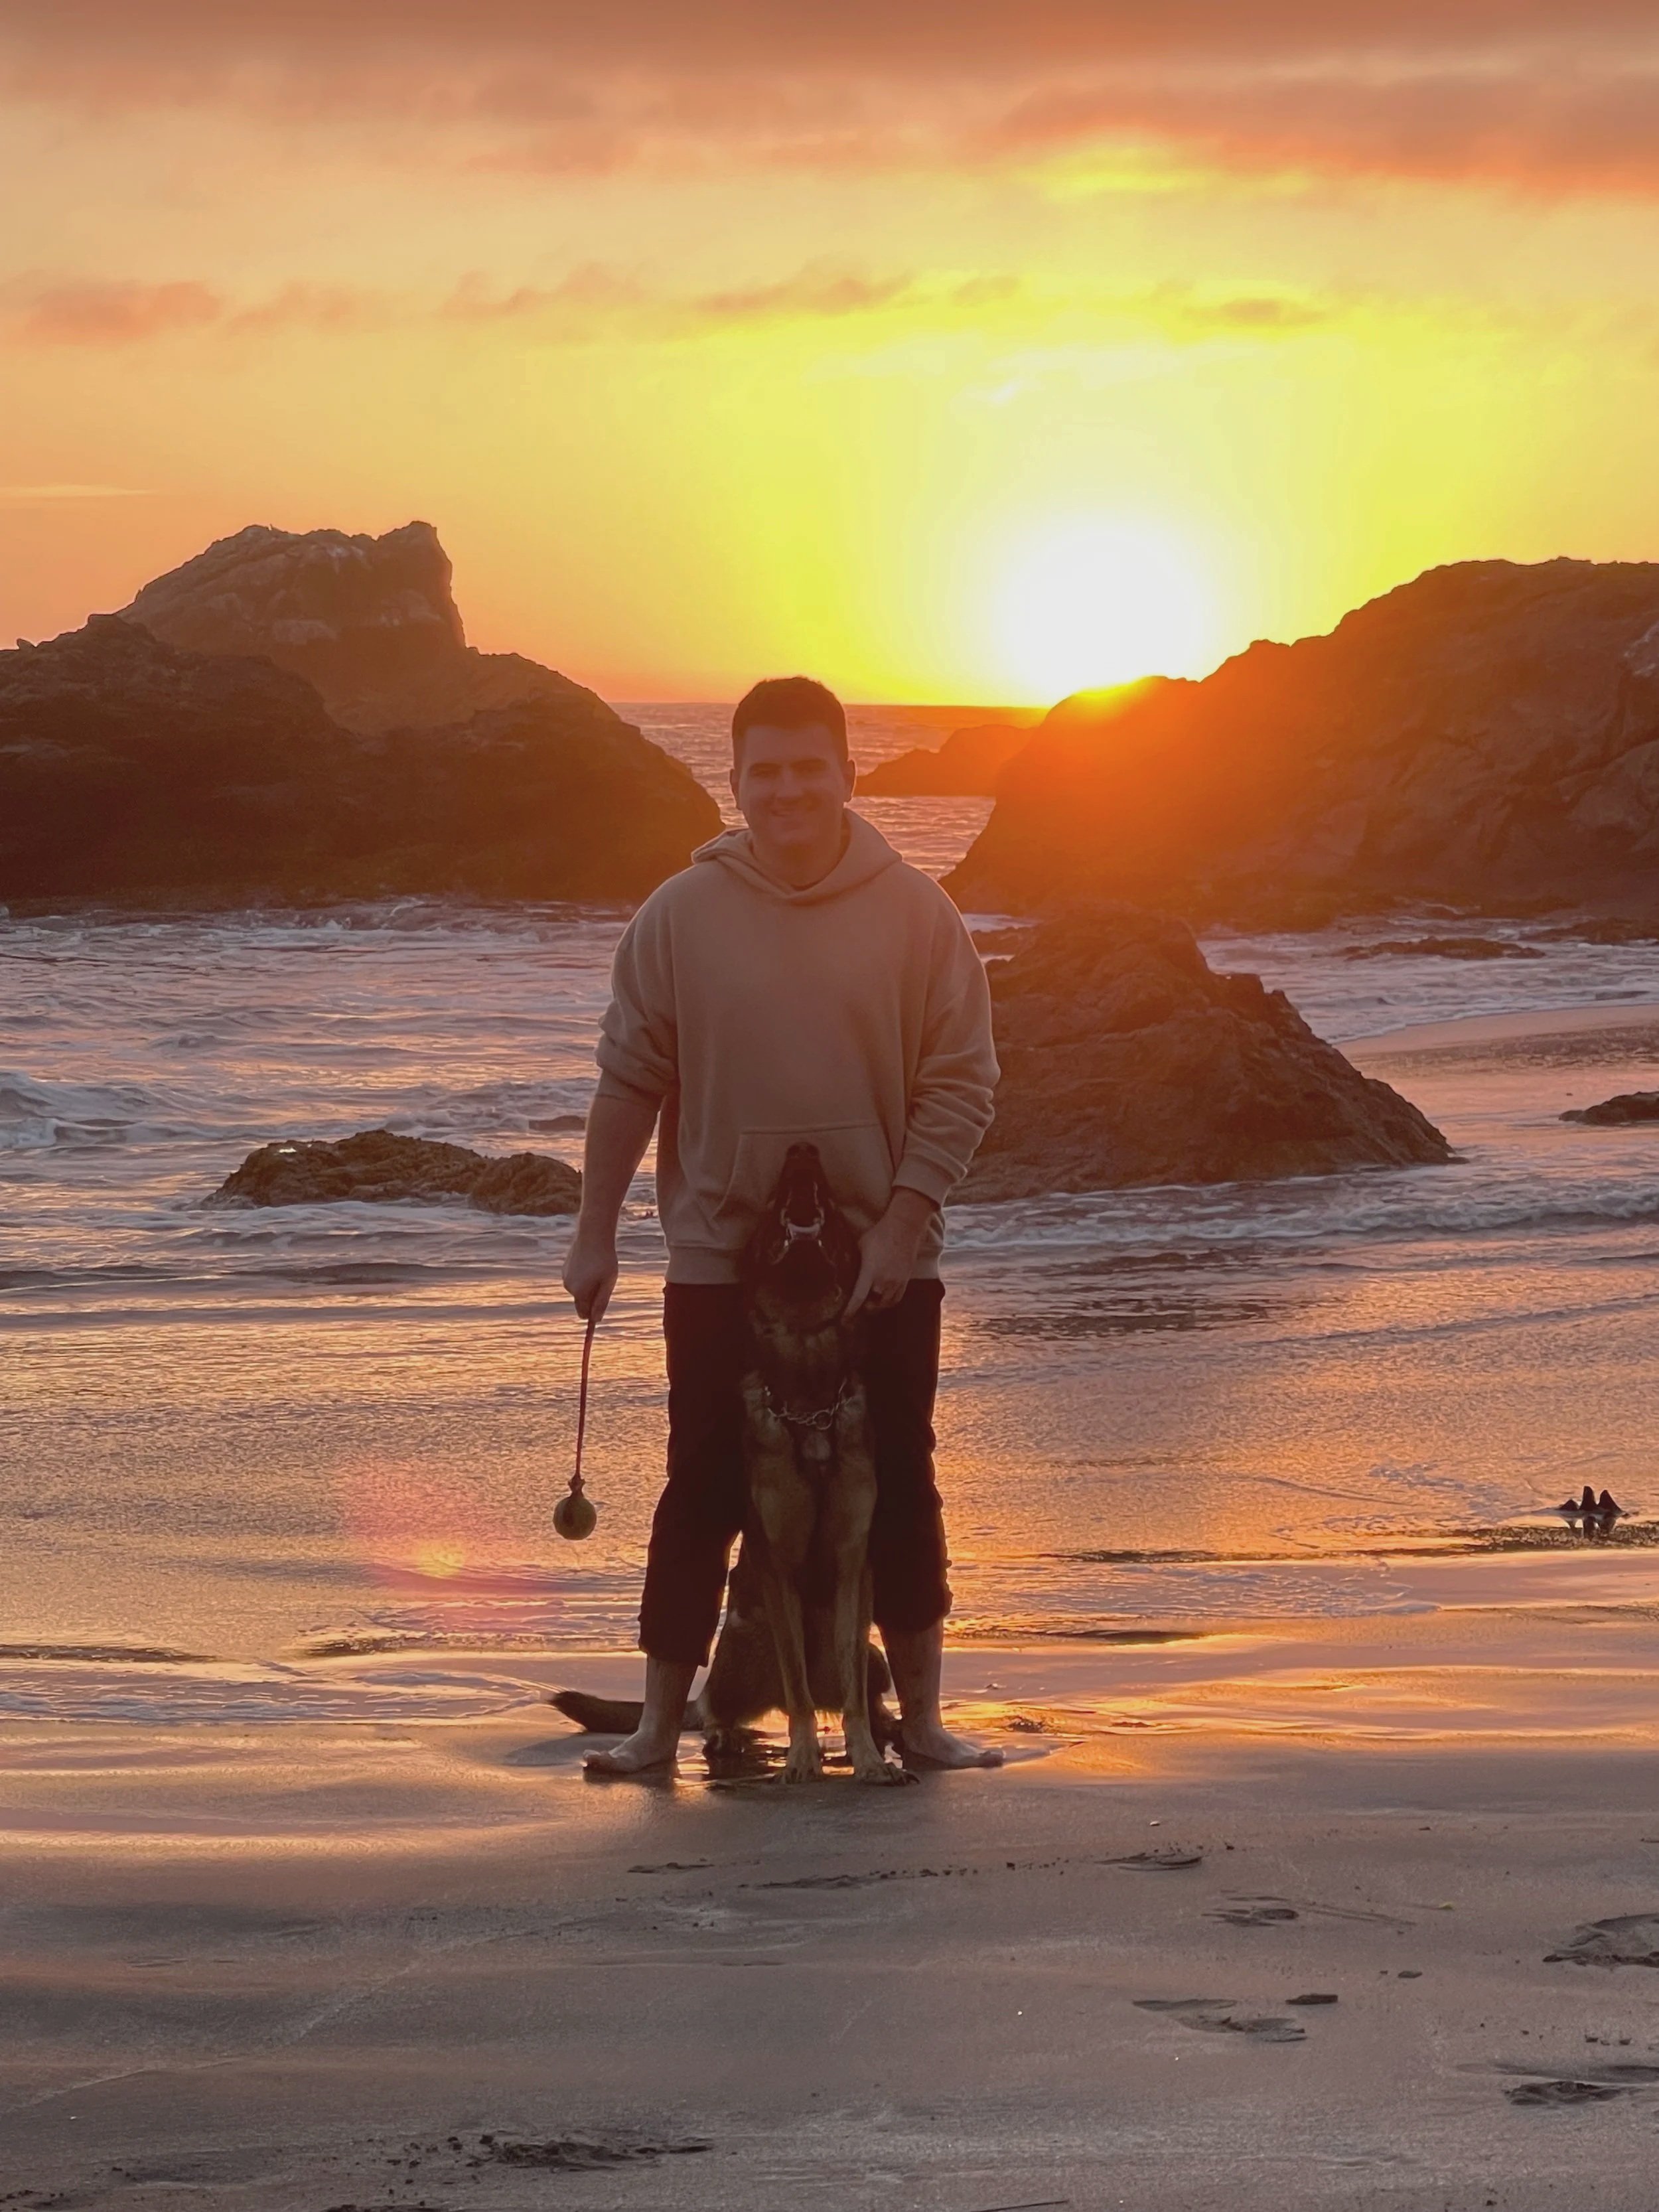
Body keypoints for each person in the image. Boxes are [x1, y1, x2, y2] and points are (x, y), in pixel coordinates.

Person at [561, 675, 1001, 1776]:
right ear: (737, 782)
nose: (791, 789)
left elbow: (962, 1083)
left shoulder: (917, 912)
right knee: (702, 1481)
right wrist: (594, 1231)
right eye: (768, 770)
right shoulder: (678, 915)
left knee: (899, 1475)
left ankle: (928, 1723)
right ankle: (663, 1726)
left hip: (882, 1259)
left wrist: (905, 1222)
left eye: (813, 767)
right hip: (718, 1253)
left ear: (850, 776)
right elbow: (628, 1081)